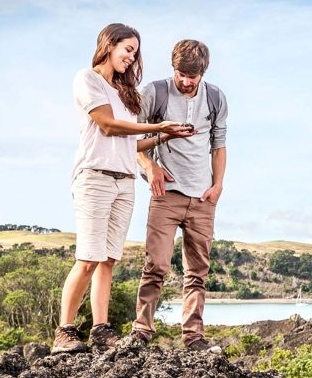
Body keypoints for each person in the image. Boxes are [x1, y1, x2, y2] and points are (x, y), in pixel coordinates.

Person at [54, 23, 194, 354]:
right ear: (109, 44)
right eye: (127, 49)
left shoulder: (125, 94)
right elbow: (108, 125)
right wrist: (157, 124)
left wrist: (165, 136)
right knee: (88, 258)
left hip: (125, 180)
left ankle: (100, 330)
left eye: (135, 52)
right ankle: (65, 331)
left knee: (108, 260)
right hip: (95, 177)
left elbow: (131, 142)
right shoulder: (87, 79)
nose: (131, 58)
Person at [125, 39, 228, 353]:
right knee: (155, 266)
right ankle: (141, 332)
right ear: (174, 69)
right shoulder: (154, 93)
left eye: (192, 77)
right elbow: (131, 139)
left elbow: (219, 145)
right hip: (166, 194)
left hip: (203, 198)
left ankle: (194, 338)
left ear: (203, 73)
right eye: (181, 74)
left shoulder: (215, 98)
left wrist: (218, 185)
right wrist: (149, 167)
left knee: (197, 272)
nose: (186, 81)